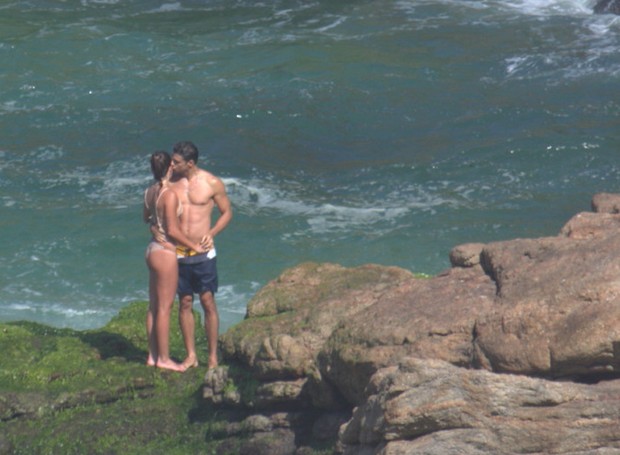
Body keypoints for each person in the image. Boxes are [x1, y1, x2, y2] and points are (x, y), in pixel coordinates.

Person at [168, 141, 232, 370]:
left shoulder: (211, 183)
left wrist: (212, 233)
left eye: (176, 162)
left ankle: (213, 356)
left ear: (190, 163)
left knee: (207, 301)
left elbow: (227, 212)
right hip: (178, 252)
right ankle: (191, 355)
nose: (172, 164)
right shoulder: (169, 182)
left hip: (204, 252)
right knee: (184, 302)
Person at [143, 151, 207, 372]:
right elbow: (172, 230)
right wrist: (194, 246)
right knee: (164, 308)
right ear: (170, 166)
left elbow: (147, 218)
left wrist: (154, 227)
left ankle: (152, 356)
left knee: (153, 307)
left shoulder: (149, 192)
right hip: (165, 252)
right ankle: (164, 358)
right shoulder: (169, 195)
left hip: (151, 249)